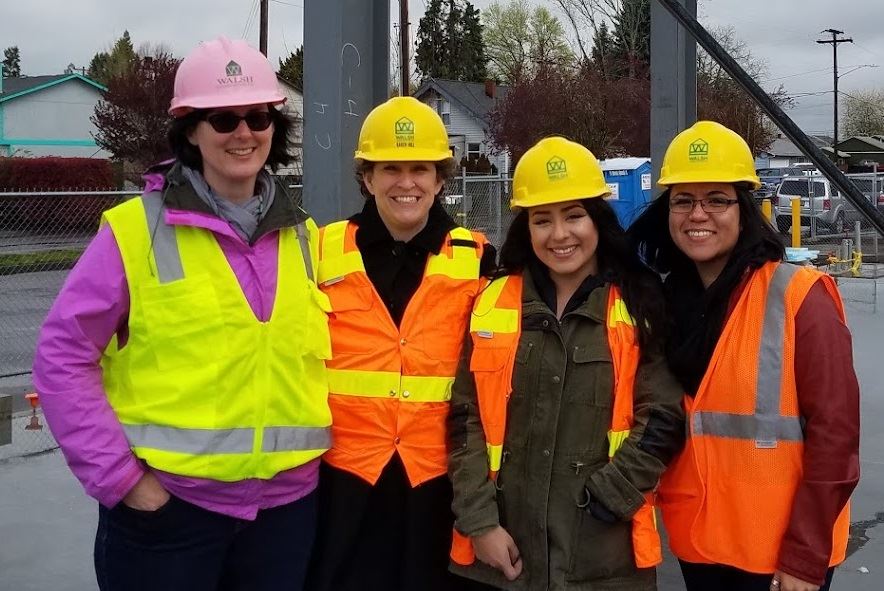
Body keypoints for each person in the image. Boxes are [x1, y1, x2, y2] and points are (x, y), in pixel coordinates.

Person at [32, 37, 331, 591]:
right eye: (223, 120)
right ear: (191, 130)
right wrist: (123, 481)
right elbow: (62, 357)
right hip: (169, 518)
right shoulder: (134, 233)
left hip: (284, 518)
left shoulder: (305, 236)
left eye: (258, 117)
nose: (244, 133)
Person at [629, 120, 860, 591]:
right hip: (701, 546)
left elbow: (835, 435)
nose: (698, 214)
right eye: (683, 200)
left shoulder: (799, 296)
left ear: (744, 209)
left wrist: (804, 556)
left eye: (717, 199)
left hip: (779, 559)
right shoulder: (664, 305)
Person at [447, 136, 686, 590]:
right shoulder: (492, 302)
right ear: (526, 228)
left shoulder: (639, 303)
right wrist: (479, 522)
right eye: (542, 220)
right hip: (503, 555)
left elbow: (663, 418)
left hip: (604, 559)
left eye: (574, 215)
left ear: (598, 219)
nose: (559, 235)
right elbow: (465, 420)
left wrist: (609, 499)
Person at [305, 96, 497, 591]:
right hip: (342, 485)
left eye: (420, 169)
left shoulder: (479, 260)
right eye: (390, 168)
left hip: (438, 485)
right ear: (367, 178)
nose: (406, 183)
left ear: (440, 179)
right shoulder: (318, 253)